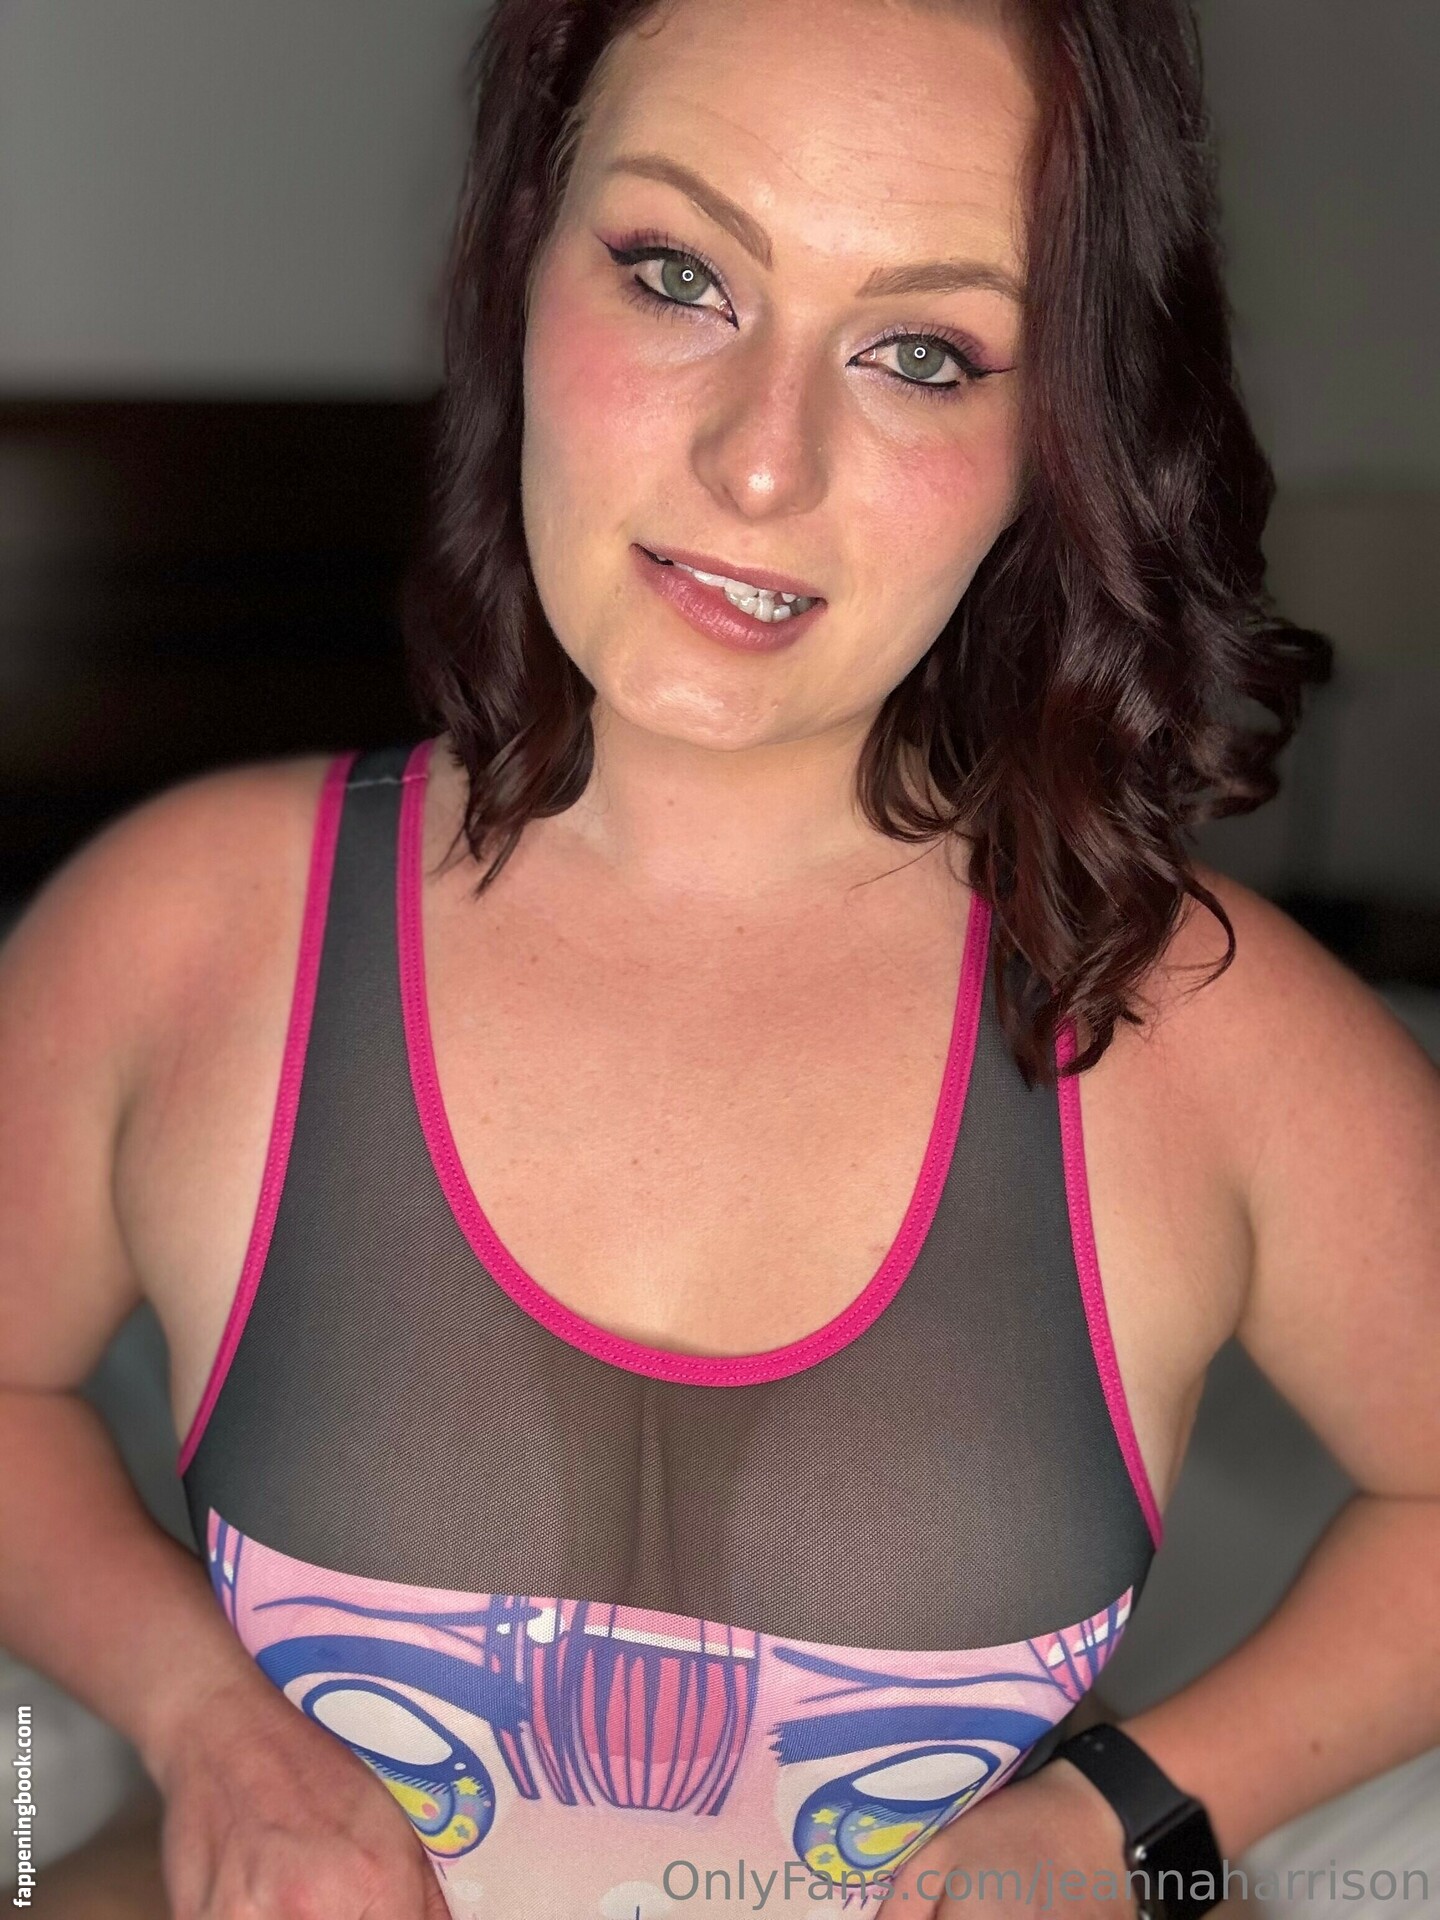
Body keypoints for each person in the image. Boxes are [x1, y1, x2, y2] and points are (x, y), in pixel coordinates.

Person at [1, 0, 1436, 1915]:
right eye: (680, 275)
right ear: (525, 256)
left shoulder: (1201, 1025)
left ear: (1058, 434)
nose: (763, 465)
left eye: (924, 353)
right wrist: (200, 1723)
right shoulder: (185, 930)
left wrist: (1138, 1825)